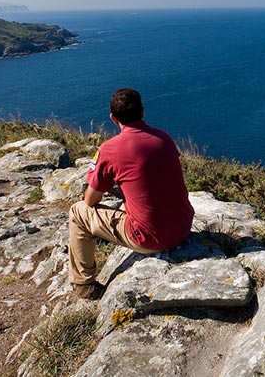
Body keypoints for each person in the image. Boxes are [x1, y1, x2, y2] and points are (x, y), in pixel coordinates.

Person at [67, 88, 195, 299]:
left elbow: (90, 200)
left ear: (113, 118)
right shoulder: (164, 138)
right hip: (182, 227)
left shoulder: (110, 149)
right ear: (142, 111)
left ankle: (84, 285)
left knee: (78, 213)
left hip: (149, 238)